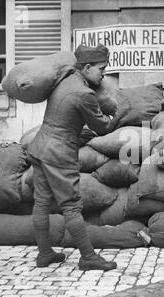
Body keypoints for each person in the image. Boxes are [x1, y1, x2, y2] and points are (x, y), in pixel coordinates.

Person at [26, 44, 118, 271]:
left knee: (42, 202)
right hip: (59, 153)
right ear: (86, 68)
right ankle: (88, 257)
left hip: (39, 147)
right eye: (101, 69)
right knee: (72, 206)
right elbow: (103, 126)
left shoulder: (64, 80)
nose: (104, 73)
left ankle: (45, 254)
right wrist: (119, 114)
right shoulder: (84, 94)